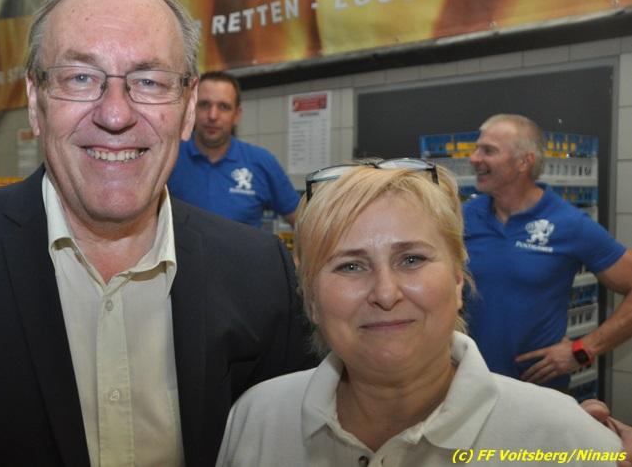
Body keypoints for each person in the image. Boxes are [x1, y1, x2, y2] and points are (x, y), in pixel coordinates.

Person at [0, 0, 315, 466]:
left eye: (149, 81)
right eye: (80, 77)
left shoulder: (260, 276)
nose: (115, 115)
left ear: (187, 107)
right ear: (35, 102)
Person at [215, 160, 624, 466]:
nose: (385, 293)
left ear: (459, 281)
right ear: (311, 300)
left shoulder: (563, 440)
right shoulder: (258, 419)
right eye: (350, 266)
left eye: (411, 259)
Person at [465, 114, 632, 389]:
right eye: (476, 148)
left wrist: (583, 349)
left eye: (488, 151)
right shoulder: (463, 218)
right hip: (470, 384)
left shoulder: (569, 223)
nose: (474, 158)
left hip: (536, 390)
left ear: (524, 162)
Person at [167, 71, 300, 227]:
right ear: (192, 108)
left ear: (236, 115)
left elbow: (303, 222)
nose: (212, 115)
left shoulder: (262, 162)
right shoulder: (169, 157)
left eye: (223, 107)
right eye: (204, 105)